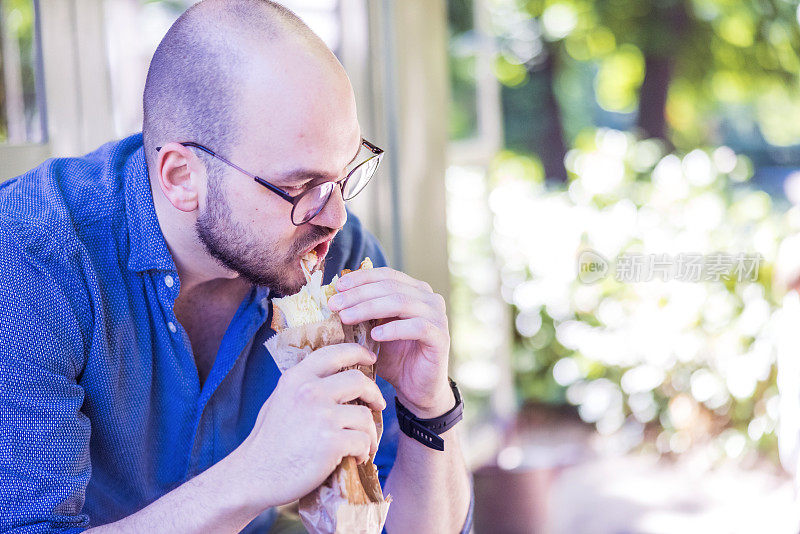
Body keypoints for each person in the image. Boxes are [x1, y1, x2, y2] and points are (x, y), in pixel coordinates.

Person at [0, 1, 474, 532]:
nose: (336, 216)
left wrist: (428, 408)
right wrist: (252, 475)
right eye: (299, 186)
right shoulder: (30, 256)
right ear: (181, 177)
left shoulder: (327, 251)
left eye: (344, 175)